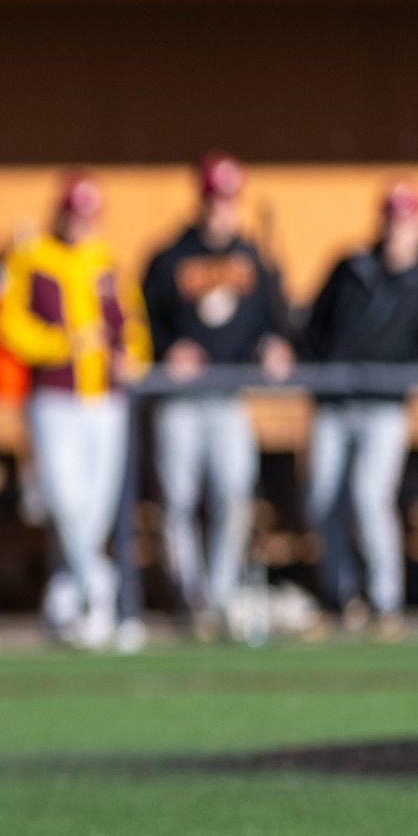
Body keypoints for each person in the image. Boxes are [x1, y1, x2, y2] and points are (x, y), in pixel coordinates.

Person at [140, 152, 294, 641]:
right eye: (213, 198)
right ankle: (193, 598)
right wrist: (168, 350)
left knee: (234, 494)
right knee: (178, 500)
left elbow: (274, 323)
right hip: (180, 400)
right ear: (200, 199)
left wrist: (273, 345)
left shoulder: (253, 257)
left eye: (228, 199)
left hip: (229, 397)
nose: (220, 209)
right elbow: (143, 323)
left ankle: (221, 593)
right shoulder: (168, 257)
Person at [0, 172, 151, 651]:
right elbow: (10, 325)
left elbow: (134, 327)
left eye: (88, 213)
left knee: (94, 508)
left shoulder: (107, 261)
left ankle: (64, 601)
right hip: (55, 397)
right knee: (63, 500)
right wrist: (62, 344)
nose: (80, 222)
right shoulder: (33, 256)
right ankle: (102, 591)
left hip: (104, 399)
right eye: (74, 212)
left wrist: (132, 358)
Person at [300, 180, 418, 641]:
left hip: (385, 406)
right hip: (334, 402)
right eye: (392, 218)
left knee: (372, 498)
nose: (398, 229)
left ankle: (385, 600)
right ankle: (340, 597)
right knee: (324, 500)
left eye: (406, 219)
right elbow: (314, 326)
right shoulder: (352, 266)